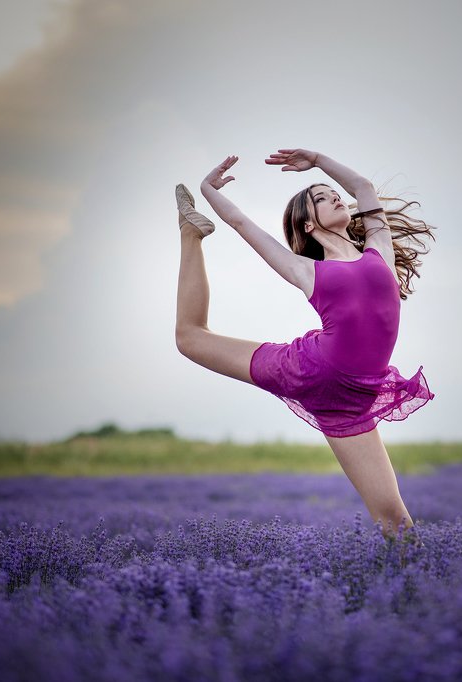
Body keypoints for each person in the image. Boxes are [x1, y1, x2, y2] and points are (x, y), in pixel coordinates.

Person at [174, 149, 436, 538]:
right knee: (190, 337)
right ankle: (191, 233)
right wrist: (208, 190)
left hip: (352, 403)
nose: (335, 197)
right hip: (308, 370)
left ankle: (419, 577)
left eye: (334, 194)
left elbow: (363, 187)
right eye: (321, 198)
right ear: (308, 224)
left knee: (394, 519)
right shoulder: (306, 269)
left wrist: (317, 159)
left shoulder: (379, 249)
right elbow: (241, 223)